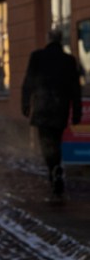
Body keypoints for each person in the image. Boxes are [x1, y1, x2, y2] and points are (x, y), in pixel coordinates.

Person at [21, 26, 82, 200]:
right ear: (60, 40)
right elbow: (75, 89)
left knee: (46, 143)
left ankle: (53, 169)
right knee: (56, 140)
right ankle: (56, 168)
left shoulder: (37, 57)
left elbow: (28, 83)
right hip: (60, 109)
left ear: (48, 39)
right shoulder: (69, 60)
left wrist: (25, 105)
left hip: (42, 107)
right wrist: (76, 112)